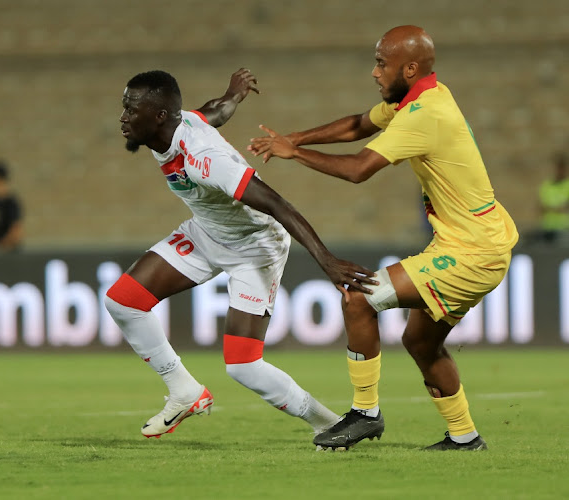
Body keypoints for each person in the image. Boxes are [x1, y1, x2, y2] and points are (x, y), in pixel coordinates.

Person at [248, 25, 519, 451]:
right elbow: (358, 125)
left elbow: (359, 169)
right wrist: (294, 138)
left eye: (381, 63)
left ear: (409, 68)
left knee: (358, 298)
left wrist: (295, 154)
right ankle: (465, 438)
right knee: (419, 342)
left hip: (473, 251)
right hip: (475, 244)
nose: (374, 73)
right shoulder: (423, 97)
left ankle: (365, 413)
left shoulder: (424, 114)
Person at [105, 68, 376, 439]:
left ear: (159, 117)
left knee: (243, 366)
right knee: (123, 301)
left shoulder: (205, 159)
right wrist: (234, 92)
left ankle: (329, 424)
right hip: (207, 233)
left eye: (130, 109)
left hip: (255, 246)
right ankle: (185, 392)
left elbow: (279, 205)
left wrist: (327, 262)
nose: (122, 117)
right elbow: (214, 111)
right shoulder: (177, 127)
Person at [536, 153, 569, 244]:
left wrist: (552, 208)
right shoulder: (547, 185)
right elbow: (541, 206)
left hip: (565, 229)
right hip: (548, 228)